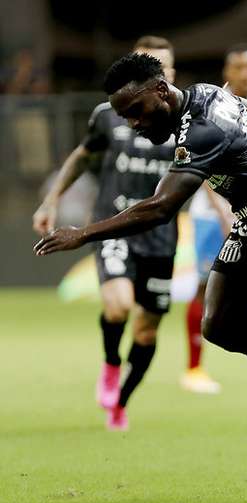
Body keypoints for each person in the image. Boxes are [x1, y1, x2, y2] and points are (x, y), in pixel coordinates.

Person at [34, 52, 247, 501]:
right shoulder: (207, 93)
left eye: (136, 111)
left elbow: (160, 207)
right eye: (124, 116)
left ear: (160, 91)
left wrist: (84, 233)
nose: (133, 123)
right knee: (220, 326)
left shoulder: (201, 130)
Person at [32, 36, 179, 431]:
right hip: (113, 225)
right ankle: (112, 362)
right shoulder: (109, 113)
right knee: (118, 306)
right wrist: (51, 201)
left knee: (147, 330)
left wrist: (224, 211)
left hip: (160, 235)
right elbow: (83, 155)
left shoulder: (184, 121)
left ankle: (121, 403)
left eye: (167, 67)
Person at [182, 43, 247, 394]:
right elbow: (201, 164)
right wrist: (222, 209)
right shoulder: (211, 105)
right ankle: (193, 367)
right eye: (240, 67)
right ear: (227, 72)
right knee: (204, 287)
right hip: (211, 216)